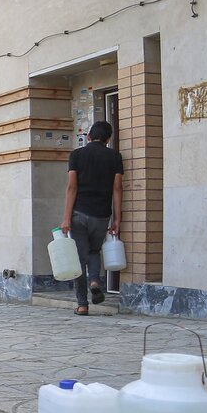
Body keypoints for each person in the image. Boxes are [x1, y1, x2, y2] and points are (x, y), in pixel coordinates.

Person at [61, 121, 123, 316]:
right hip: (101, 215)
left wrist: (66, 218)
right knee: (94, 252)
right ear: (108, 139)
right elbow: (117, 189)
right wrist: (117, 218)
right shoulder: (114, 157)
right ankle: (95, 280)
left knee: (79, 259)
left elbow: (72, 187)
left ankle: (82, 304)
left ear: (88, 137)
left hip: (79, 213)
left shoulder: (77, 155)